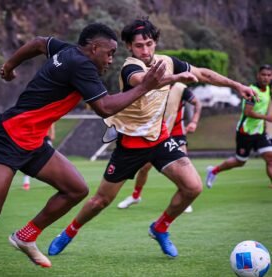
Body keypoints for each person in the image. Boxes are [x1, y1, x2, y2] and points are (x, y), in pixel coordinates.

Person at [0, 22, 180, 268]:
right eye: (109, 53)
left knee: (76, 189)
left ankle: (25, 237)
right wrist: (146, 87)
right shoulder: (81, 65)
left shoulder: (67, 51)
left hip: (33, 142)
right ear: (93, 48)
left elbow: (39, 42)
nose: (111, 60)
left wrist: (9, 66)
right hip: (8, 137)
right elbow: (105, 107)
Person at [48, 18, 256, 259]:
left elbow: (203, 74)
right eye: (139, 46)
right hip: (130, 145)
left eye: (149, 44)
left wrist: (237, 85)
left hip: (160, 140)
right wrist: (177, 78)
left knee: (193, 187)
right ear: (129, 47)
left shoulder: (166, 61)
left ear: (155, 42)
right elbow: (144, 81)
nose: (145, 50)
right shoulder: (130, 67)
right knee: (100, 201)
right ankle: (69, 232)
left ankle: (160, 228)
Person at [117, 82, 202, 213]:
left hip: (177, 132)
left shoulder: (180, 88)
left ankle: (185, 198)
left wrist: (194, 121)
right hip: (158, 132)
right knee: (144, 168)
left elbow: (198, 103)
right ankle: (135, 196)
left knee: (183, 166)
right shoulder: (156, 86)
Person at [206, 64, 272, 189]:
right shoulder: (252, 91)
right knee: (240, 161)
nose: (266, 78)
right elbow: (248, 112)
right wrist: (266, 118)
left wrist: (263, 122)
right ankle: (213, 171)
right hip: (245, 132)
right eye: (263, 75)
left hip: (260, 133)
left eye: (269, 75)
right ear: (258, 75)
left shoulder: (268, 89)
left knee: (270, 159)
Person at [22, 123, 55, 190]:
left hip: (46, 138)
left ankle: (53, 181)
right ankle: (26, 182)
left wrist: (52, 133)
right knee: (28, 159)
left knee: (50, 161)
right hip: (35, 138)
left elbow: (51, 123)